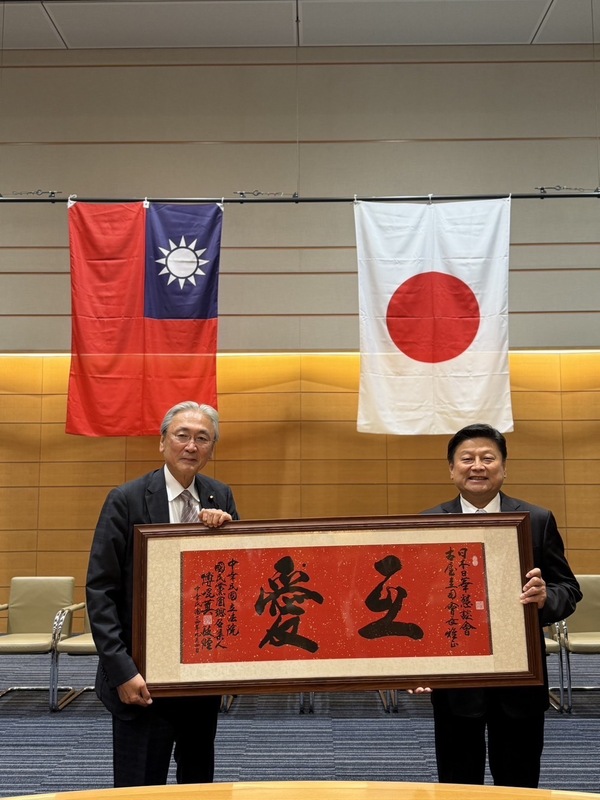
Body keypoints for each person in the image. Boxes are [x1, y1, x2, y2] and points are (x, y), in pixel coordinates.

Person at [86, 401, 239, 787]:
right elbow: (100, 591)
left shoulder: (220, 497)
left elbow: (234, 586)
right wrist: (123, 671)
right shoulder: (126, 499)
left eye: (202, 438)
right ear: (162, 442)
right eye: (182, 435)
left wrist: (229, 536)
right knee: (139, 786)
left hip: (198, 678)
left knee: (198, 783)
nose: (191, 445)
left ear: (212, 448)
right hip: (142, 679)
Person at [420, 422, 581, 788]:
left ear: (504, 468)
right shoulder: (427, 523)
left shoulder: (536, 520)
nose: (477, 465)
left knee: (519, 782)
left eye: (488, 458)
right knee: (458, 783)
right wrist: (420, 665)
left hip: (520, 678)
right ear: (451, 469)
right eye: (467, 458)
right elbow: (421, 605)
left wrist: (545, 598)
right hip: (456, 681)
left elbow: (567, 588)